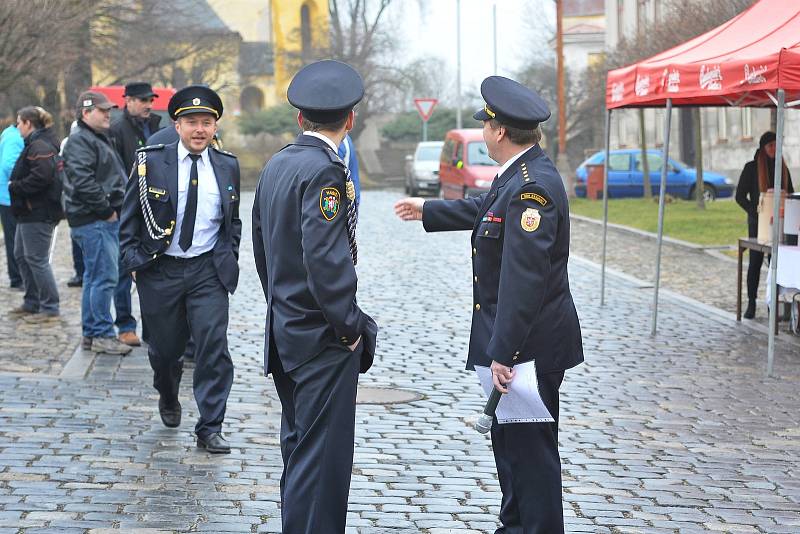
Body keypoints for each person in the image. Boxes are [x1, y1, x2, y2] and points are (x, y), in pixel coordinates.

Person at [394, 76, 584, 534]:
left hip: (526, 346)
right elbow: (487, 209)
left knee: (531, 454)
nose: (483, 131)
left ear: (499, 131)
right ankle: (514, 525)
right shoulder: (519, 175)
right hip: (516, 341)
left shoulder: (532, 188)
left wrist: (506, 353)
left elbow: (525, 281)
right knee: (512, 446)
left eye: (486, 124)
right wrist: (430, 209)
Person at [252, 59, 378, 534]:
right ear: (350, 119)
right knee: (321, 462)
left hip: (286, 329)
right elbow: (326, 260)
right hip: (322, 339)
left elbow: (262, 250)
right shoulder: (326, 172)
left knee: (300, 451)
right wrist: (348, 326)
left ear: (299, 118)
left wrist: (282, 307)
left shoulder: (278, 163)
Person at [120, 85, 241, 454]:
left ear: (215, 126)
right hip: (161, 270)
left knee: (213, 347)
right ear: (177, 125)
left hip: (207, 271)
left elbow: (231, 222)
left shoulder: (227, 164)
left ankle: (210, 426)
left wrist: (228, 257)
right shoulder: (150, 161)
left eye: (207, 122)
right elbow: (130, 220)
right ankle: (168, 393)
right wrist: (134, 265)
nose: (199, 130)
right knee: (164, 351)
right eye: (191, 122)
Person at [62, 91, 132, 356]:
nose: (108, 114)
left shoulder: (94, 138)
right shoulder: (81, 141)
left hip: (95, 218)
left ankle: (92, 333)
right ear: (85, 113)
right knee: (104, 277)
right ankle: (102, 334)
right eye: (102, 111)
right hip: (96, 219)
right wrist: (106, 211)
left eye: (109, 110)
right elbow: (83, 181)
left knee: (95, 277)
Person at [108, 82, 163, 347]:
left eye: (150, 100)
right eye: (142, 100)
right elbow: (114, 171)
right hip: (126, 209)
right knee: (123, 271)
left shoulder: (157, 126)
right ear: (127, 101)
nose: (148, 105)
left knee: (156, 272)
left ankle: (156, 328)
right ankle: (125, 325)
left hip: (156, 209)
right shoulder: (117, 130)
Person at [7, 106, 63, 321]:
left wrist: (16, 186)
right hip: (27, 212)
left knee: (37, 259)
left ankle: (50, 306)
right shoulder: (35, 142)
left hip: (38, 211)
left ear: (28, 123)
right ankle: (32, 302)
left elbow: (43, 177)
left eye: (19, 122)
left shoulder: (39, 145)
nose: (17, 127)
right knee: (21, 255)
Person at [735, 131, 794, 319]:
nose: (774, 149)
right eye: (770, 146)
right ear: (762, 148)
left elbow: (791, 193)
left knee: (776, 264)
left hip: (779, 223)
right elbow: (740, 196)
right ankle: (751, 303)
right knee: (755, 263)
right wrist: (757, 211)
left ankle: (773, 305)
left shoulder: (782, 168)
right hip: (757, 224)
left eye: (776, 146)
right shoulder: (751, 168)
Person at [0, 121, 24, 289]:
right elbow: (8, 164)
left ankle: (17, 277)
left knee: (13, 237)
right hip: (9, 196)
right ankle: (17, 278)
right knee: (13, 238)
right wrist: (22, 182)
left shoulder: (9, 133)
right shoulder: (15, 138)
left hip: (6, 194)